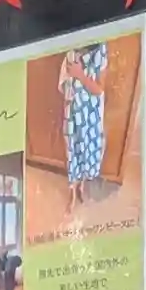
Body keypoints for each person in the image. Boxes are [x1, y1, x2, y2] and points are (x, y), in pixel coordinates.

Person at [59, 43, 108, 206]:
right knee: (72, 155)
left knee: (87, 153)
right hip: (73, 116)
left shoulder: (100, 52)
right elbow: (66, 89)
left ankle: (81, 187)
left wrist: (80, 75)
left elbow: (99, 90)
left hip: (91, 118)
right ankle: (72, 194)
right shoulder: (71, 53)